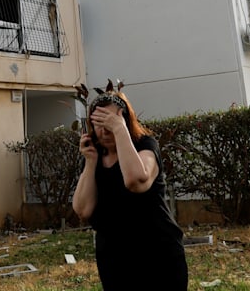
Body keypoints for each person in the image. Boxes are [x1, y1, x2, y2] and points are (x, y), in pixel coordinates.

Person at [71, 91, 187, 290]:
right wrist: (90, 163)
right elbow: (83, 210)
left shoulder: (146, 146)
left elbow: (136, 181)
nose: (104, 131)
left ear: (124, 120)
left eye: (110, 123)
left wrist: (120, 131)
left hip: (158, 254)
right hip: (115, 259)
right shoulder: (95, 156)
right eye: (99, 123)